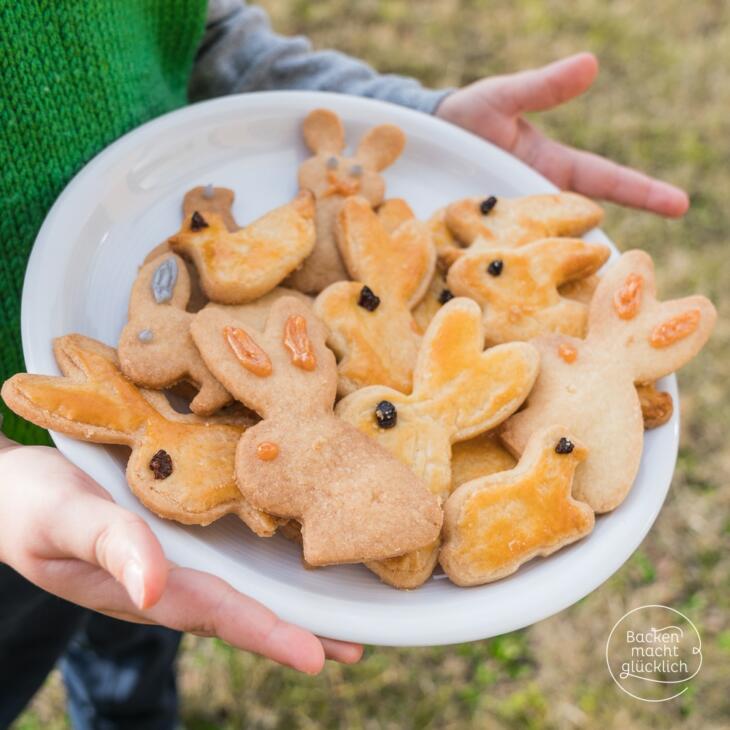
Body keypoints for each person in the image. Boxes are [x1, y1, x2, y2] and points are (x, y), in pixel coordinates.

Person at [0, 1, 688, 727]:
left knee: (132, 643)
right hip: (20, 499)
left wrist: (422, 122)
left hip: (132, 502)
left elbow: (200, 30)